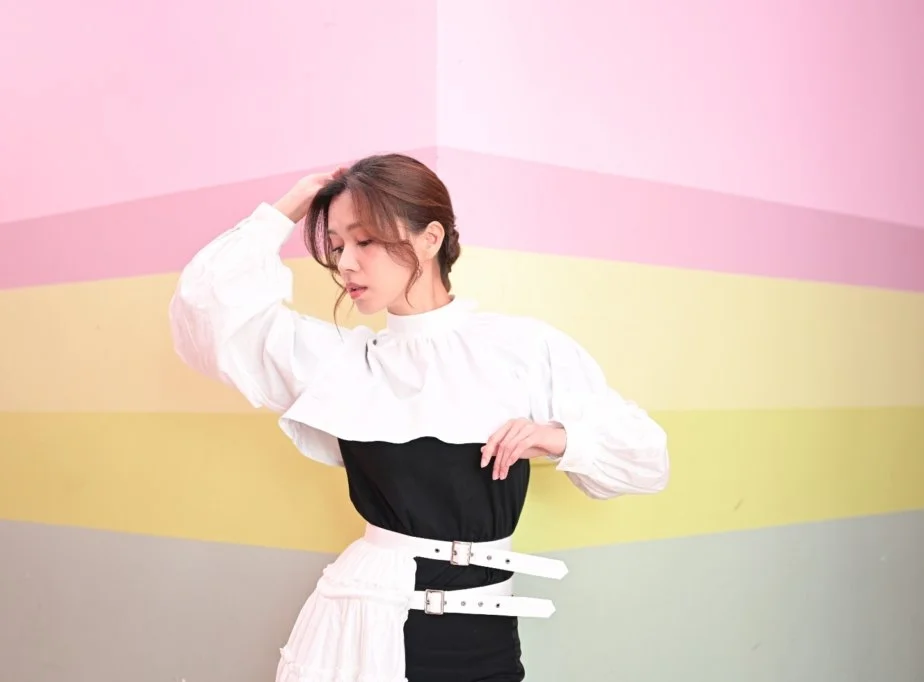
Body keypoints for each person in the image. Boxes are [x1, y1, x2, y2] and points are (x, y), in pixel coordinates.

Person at [168, 153, 670, 681]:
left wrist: (557, 438)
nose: (345, 263)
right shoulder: (341, 362)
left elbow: (647, 463)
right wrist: (286, 209)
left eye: (364, 240)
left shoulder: (523, 348)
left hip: (489, 637)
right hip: (367, 630)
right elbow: (206, 313)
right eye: (337, 246)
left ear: (430, 239)